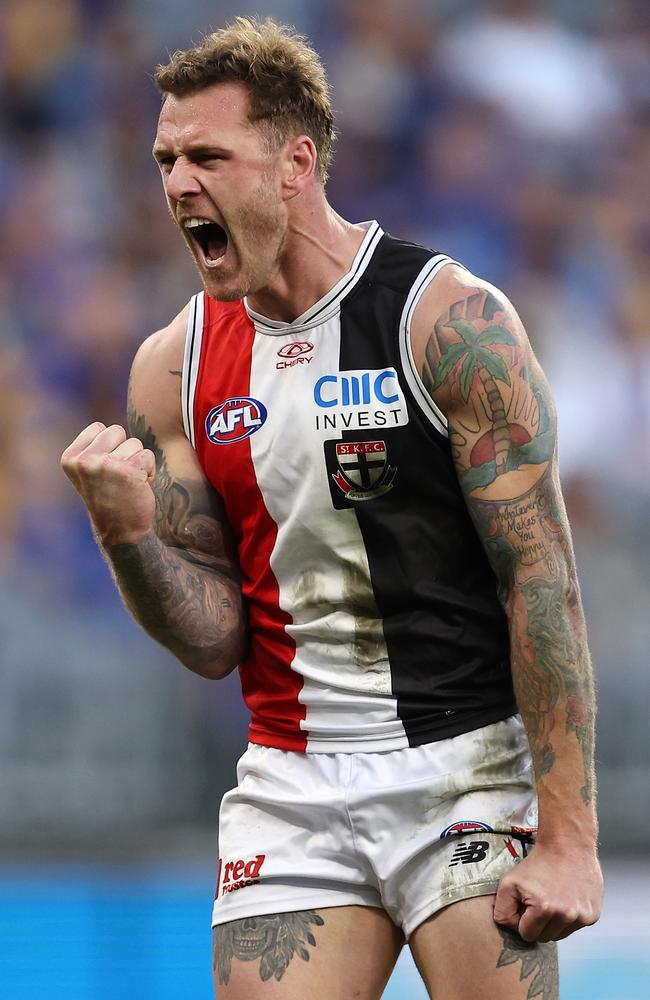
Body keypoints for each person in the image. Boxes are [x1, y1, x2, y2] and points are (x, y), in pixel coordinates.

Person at [61, 17, 603, 1000]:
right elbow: (213, 638)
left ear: (293, 162)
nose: (178, 182)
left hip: (463, 769)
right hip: (291, 787)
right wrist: (127, 532)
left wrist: (566, 837)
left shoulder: (446, 321)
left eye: (207, 155)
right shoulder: (172, 368)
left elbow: (541, 580)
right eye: (164, 158)